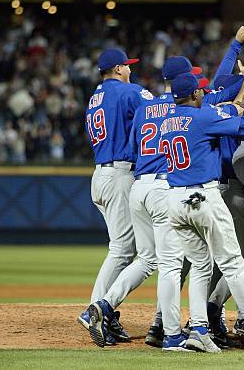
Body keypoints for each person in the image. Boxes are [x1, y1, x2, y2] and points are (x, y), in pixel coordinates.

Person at [161, 67, 244, 352]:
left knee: (200, 266)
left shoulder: (166, 122)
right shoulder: (203, 115)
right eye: (200, 91)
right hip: (203, 196)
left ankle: (198, 330)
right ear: (194, 94)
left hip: (174, 201)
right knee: (232, 262)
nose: (203, 94)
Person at [78, 48, 146, 346]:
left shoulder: (95, 98)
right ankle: (95, 309)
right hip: (119, 175)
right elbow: (164, 108)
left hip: (101, 174)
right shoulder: (126, 92)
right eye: (127, 66)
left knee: (123, 250)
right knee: (122, 251)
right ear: (118, 69)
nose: (130, 70)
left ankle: (102, 311)